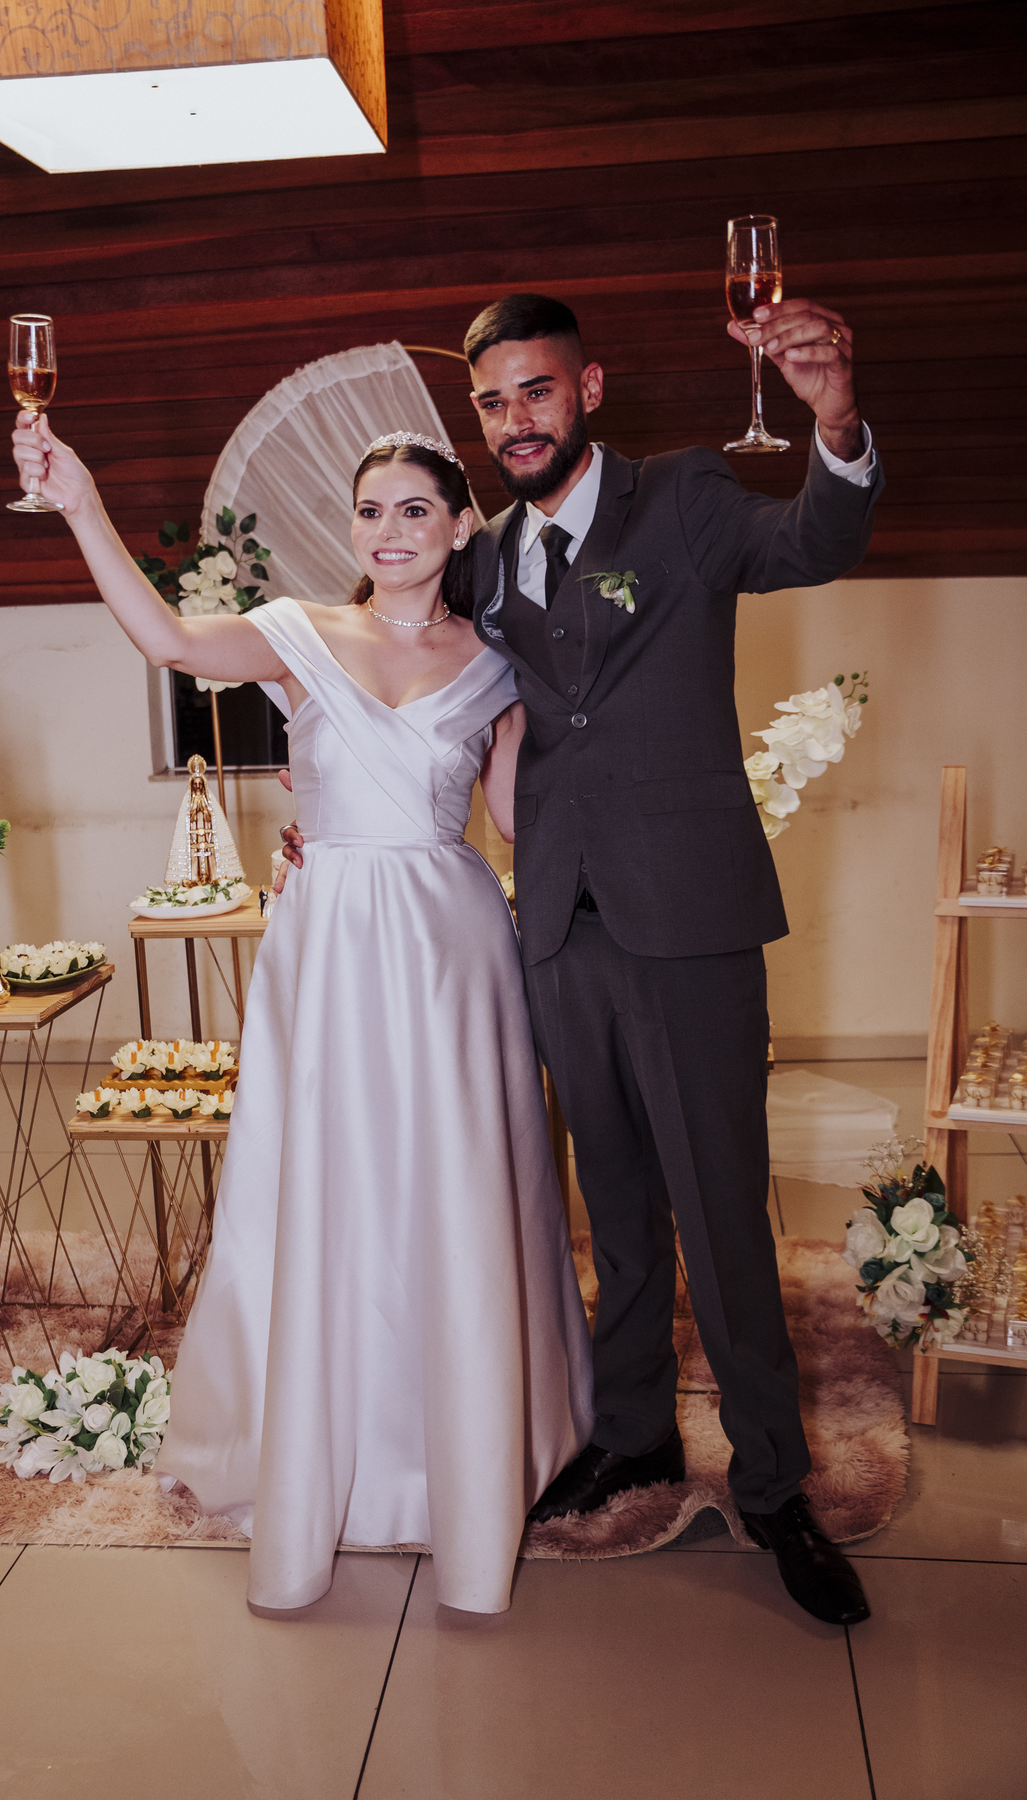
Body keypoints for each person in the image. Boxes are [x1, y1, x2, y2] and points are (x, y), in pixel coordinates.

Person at [10, 416, 594, 1614]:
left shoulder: (498, 664)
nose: (390, 531)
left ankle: (460, 1459)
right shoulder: (298, 632)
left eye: (415, 510)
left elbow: (517, 818)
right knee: (329, 1181)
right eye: (371, 511)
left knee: (454, 1186)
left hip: (452, 946)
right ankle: (320, 1452)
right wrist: (80, 504)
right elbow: (168, 637)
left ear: (460, 526)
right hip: (328, 942)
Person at [461, 291, 882, 1628]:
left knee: (721, 1213)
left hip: (690, 921)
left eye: (537, 390)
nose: (517, 420)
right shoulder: (483, 561)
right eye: (493, 402)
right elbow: (405, 680)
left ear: (589, 389)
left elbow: (811, 540)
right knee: (619, 1211)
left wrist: (834, 422)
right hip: (558, 926)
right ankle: (636, 1433)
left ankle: (772, 1482)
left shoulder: (685, 499)